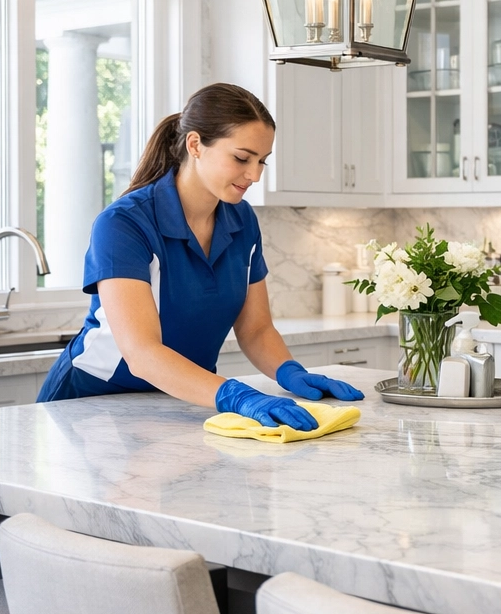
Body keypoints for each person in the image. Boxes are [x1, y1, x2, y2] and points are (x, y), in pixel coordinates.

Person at [38, 83, 363, 429]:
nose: (254, 175)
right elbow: (142, 353)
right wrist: (236, 396)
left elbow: (255, 328)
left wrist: (290, 372)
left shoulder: (242, 221)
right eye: (241, 158)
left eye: (261, 161)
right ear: (195, 145)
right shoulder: (124, 225)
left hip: (181, 400)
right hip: (91, 407)